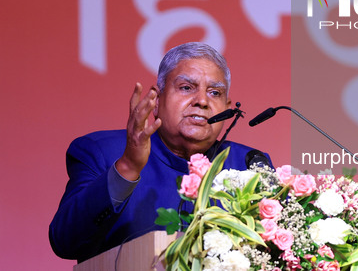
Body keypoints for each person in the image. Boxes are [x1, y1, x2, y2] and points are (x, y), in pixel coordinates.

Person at [49, 42, 272, 262]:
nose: (202, 101)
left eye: (215, 93)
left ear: (227, 107)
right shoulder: (102, 151)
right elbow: (65, 242)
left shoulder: (249, 164)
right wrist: (127, 167)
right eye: (186, 88)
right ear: (157, 100)